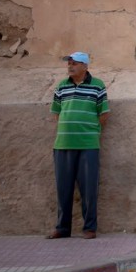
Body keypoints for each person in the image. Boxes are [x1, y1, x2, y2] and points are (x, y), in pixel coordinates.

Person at [47, 52, 110, 239]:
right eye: (69, 63)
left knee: (89, 188)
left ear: (85, 66)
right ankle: (62, 228)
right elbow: (56, 113)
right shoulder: (61, 86)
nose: (70, 66)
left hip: (88, 144)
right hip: (63, 144)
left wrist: (91, 131)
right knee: (63, 188)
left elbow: (104, 114)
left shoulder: (97, 85)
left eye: (74, 63)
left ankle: (89, 228)